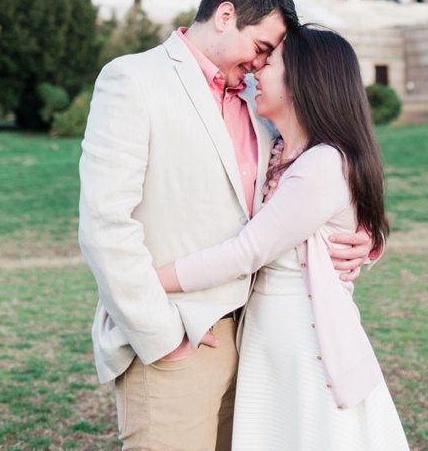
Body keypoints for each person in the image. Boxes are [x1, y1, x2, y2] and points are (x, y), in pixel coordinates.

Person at [79, 0, 375, 451]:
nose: (261, 65)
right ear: (224, 16)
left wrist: (365, 239)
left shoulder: (263, 108)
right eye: (261, 47)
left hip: (257, 342)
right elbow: (105, 226)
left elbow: (316, 182)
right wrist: (162, 337)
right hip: (178, 343)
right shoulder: (133, 79)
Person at [154, 25, 409, 450]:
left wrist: (148, 280)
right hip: (271, 338)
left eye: (268, 63)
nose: (256, 72)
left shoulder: (323, 163)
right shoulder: (279, 149)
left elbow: (248, 251)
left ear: (302, 82)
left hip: (304, 348)